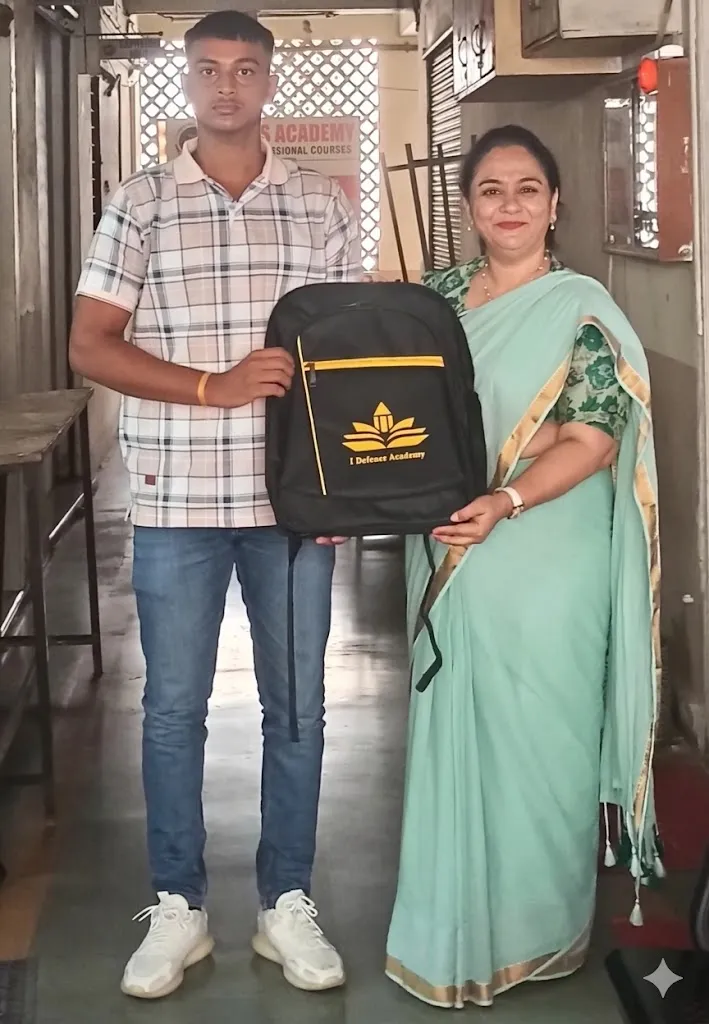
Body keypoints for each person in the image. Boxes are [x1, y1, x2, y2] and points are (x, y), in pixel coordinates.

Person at [69, 10, 359, 1000]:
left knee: (299, 711)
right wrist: (209, 386)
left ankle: (287, 900)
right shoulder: (140, 203)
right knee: (171, 712)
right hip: (176, 497)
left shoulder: (316, 202)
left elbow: (345, 360)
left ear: (269, 80)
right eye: (208, 69)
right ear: (185, 81)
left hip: (289, 506)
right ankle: (177, 905)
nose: (227, 86)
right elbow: (90, 343)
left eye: (244, 69)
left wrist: (340, 484)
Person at [385, 125, 662, 1008]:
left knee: (543, 737)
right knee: (452, 730)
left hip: (541, 552)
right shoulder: (436, 299)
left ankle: (542, 933)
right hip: (448, 539)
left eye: (526, 188)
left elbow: (590, 437)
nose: (508, 204)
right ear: (468, 207)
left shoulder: (580, 309)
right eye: (490, 190)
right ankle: (448, 934)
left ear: (555, 204)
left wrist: (505, 495)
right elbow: (395, 412)